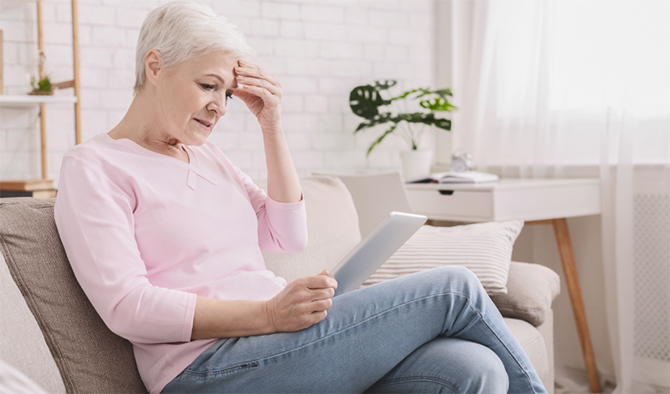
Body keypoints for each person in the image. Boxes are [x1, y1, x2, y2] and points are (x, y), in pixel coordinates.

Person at [53, 2, 547, 393]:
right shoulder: (94, 167)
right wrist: (268, 315)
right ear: (155, 66)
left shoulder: (207, 158)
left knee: (473, 367)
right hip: (206, 367)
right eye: (208, 85)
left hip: (278, 345)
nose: (219, 107)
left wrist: (272, 124)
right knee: (453, 288)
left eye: (227, 93)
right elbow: (128, 307)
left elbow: (287, 236)